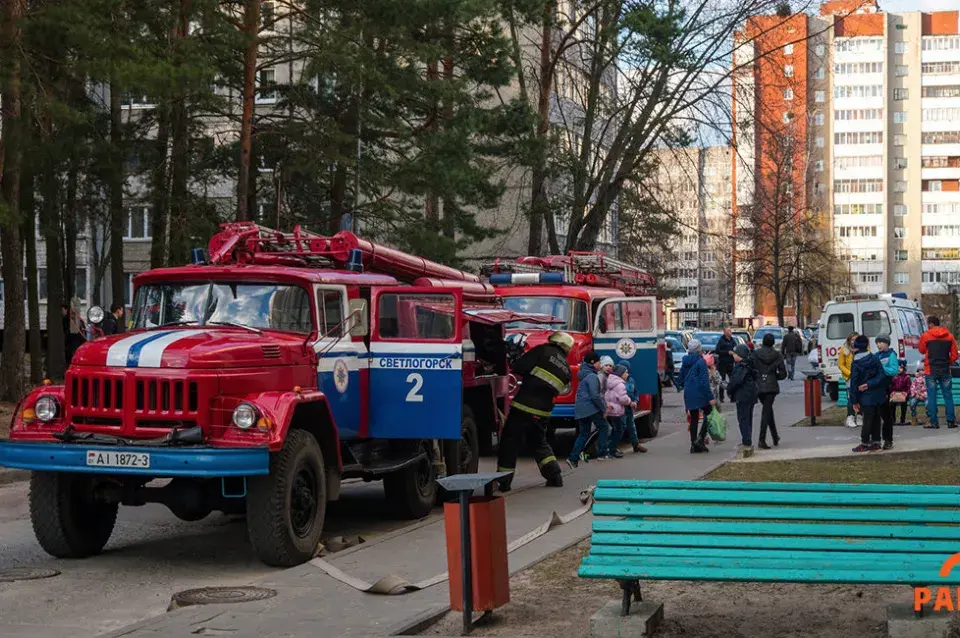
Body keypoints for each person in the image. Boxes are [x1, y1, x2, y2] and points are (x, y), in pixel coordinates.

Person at [496, 331, 574, 491]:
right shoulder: (566, 369)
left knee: (510, 441)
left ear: (554, 341)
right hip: (543, 412)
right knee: (539, 442)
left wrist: (513, 354)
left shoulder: (542, 351)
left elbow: (518, 367)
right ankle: (554, 476)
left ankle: (504, 482)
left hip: (523, 406)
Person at [568, 351, 608, 468]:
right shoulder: (592, 376)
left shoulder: (583, 373)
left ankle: (573, 458)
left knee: (584, 433)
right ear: (592, 362)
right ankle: (602, 453)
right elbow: (595, 395)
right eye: (598, 362)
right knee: (604, 427)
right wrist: (603, 408)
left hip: (580, 408)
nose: (600, 364)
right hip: (590, 407)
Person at [919, 316, 959, 429]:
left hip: (930, 369)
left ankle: (934, 422)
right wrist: (948, 361)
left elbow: (921, 350)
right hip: (945, 369)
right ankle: (951, 421)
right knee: (948, 395)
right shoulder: (950, 336)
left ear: (931, 324)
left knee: (932, 396)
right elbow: (955, 355)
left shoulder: (926, 336)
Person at [848, 335, 886, 453]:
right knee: (876, 418)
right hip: (877, 394)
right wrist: (870, 384)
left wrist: (854, 401)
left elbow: (854, 382)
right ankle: (876, 442)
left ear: (856, 347)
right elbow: (881, 375)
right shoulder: (874, 358)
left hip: (865, 395)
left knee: (867, 420)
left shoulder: (856, 363)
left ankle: (864, 443)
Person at [676, 339, 715, 453]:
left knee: (693, 418)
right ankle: (700, 438)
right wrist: (710, 397)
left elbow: (681, 378)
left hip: (689, 392)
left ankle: (693, 444)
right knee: (709, 413)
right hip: (700, 392)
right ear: (698, 349)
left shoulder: (685, 361)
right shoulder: (701, 362)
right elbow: (704, 381)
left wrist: (680, 385)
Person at [753, 333, 787, 449]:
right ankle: (762, 439)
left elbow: (751, 368)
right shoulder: (777, 355)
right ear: (773, 343)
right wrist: (774, 376)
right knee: (766, 411)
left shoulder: (756, 354)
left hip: (759, 385)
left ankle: (774, 436)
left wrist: (757, 377)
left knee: (767, 410)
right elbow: (783, 374)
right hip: (771, 385)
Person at [726, 344, 758, 452]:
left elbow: (736, 381)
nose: (734, 356)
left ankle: (746, 441)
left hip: (743, 395)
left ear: (740, 355)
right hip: (751, 395)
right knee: (748, 418)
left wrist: (729, 389)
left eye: (735, 354)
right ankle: (747, 438)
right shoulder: (749, 364)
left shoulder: (741, 366)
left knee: (743, 418)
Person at [874, 334, 898, 450]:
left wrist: (881, 368)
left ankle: (888, 440)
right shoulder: (876, 356)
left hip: (886, 388)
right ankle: (876, 440)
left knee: (886, 416)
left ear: (887, 343)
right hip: (875, 389)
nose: (879, 345)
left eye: (881, 342)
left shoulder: (891, 355)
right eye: (877, 343)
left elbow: (894, 371)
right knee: (876, 415)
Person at [604, 365, 633, 459]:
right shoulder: (620, 385)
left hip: (610, 410)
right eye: (626, 373)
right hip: (617, 411)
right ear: (620, 374)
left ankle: (609, 448)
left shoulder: (609, 382)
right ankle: (612, 449)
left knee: (614, 429)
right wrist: (630, 402)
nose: (627, 374)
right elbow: (623, 399)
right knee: (619, 430)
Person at [621, 361, 647, 454]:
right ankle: (612, 446)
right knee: (621, 426)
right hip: (621, 407)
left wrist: (635, 401)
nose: (626, 373)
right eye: (624, 371)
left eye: (627, 371)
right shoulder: (618, 382)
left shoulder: (631, 380)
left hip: (630, 407)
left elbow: (636, 392)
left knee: (631, 426)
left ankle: (636, 445)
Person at [838, 332, 860, 429]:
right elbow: (840, 364)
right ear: (849, 340)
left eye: (856, 339)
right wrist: (849, 373)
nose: (854, 341)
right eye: (852, 339)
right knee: (851, 397)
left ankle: (859, 416)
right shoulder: (844, 349)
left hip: (861, 377)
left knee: (861, 396)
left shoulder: (863, 349)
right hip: (850, 377)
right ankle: (850, 417)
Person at [714, 328, 737, 402]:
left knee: (732, 381)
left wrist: (735, 352)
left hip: (731, 363)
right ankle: (721, 398)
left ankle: (732, 397)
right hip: (722, 363)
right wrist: (727, 352)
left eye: (730, 331)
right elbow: (717, 351)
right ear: (725, 333)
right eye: (729, 331)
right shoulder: (721, 340)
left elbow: (736, 348)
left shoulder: (733, 340)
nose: (730, 332)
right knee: (722, 381)